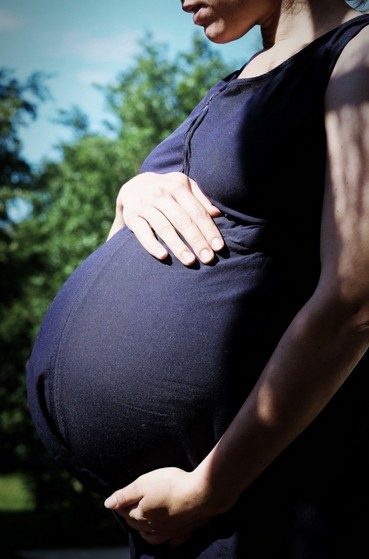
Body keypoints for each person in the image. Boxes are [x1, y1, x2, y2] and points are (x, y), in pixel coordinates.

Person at [26, 0, 369, 557]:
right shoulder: (243, 78)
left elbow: (356, 300)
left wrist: (210, 488)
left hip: (259, 506)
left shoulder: (358, 56)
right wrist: (131, 195)